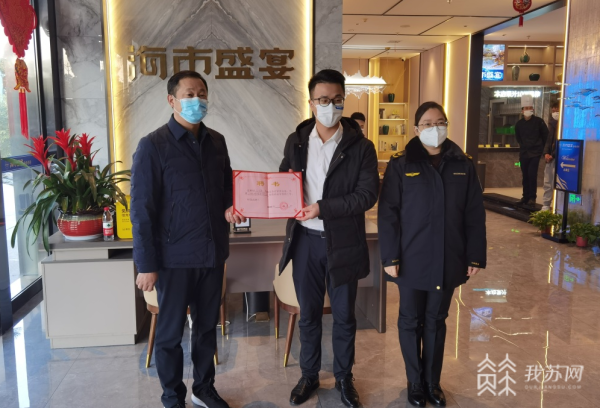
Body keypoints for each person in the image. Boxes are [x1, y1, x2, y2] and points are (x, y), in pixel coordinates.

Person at [130, 70, 245, 408]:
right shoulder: (153, 145)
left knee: (207, 328)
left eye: (202, 94)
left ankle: (203, 389)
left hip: (212, 254)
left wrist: (230, 207)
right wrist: (146, 265)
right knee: (169, 335)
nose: (197, 100)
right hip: (174, 259)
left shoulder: (217, 141)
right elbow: (142, 210)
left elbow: (227, 187)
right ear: (172, 100)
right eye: (189, 94)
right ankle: (172, 396)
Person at [278, 69, 379, 407]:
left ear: (343, 101)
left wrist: (322, 207)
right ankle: (308, 375)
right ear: (310, 103)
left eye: (337, 99)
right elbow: (283, 179)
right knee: (308, 314)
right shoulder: (296, 141)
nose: (330, 106)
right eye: (323, 99)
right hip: (305, 242)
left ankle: (343, 377)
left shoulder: (361, 147)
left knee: (344, 316)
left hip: (343, 242)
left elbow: (366, 195)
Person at [378, 101, 486, 407]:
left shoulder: (463, 164)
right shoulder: (401, 164)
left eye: (440, 122)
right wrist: (390, 257)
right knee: (410, 320)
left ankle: (432, 383)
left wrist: (474, 256)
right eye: (427, 124)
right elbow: (388, 214)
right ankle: (415, 383)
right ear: (416, 129)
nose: (434, 128)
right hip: (410, 258)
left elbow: (474, 213)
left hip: (449, 256)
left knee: (436, 320)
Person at [515, 94, 549, 207]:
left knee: (532, 174)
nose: (528, 110)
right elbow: (518, 138)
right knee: (525, 175)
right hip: (524, 152)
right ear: (522, 110)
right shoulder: (519, 124)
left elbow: (546, 137)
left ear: (533, 109)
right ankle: (525, 196)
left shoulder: (539, 121)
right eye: (526, 108)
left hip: (535, 153)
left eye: (530, 108)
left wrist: (544, 150)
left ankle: (532, 198)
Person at [542, 102, 560, 211]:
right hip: (550, 157)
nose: (555, 112)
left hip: (560, 158)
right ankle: (546, 204)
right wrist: (546, 153)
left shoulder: (564, 124)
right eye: (553, 110)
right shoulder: (551, 124)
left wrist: (552, 154)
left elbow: (560, 142)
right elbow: (548, 141)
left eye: (557, 110)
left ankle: (557, 205)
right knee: (547, 182)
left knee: (558, 183)